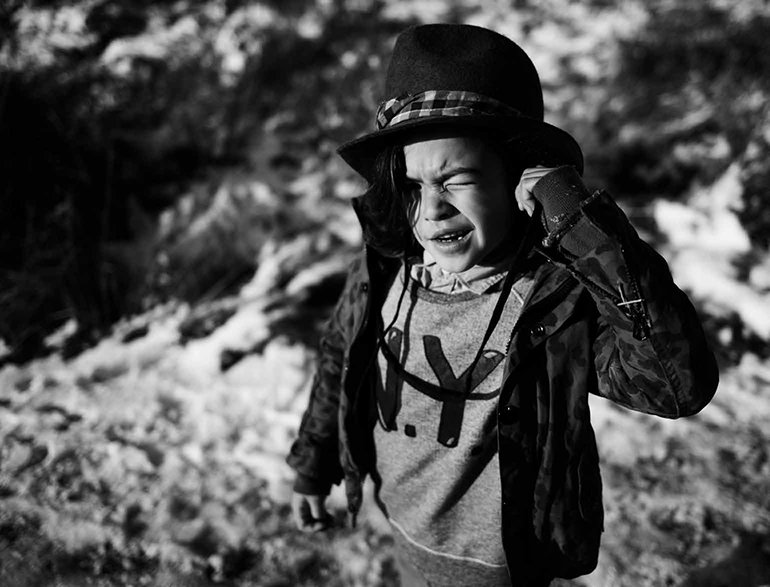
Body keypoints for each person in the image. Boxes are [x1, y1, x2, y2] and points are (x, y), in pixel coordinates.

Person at [286, 23, 718, 586]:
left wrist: (577, 220)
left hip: (501, 567)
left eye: (456, 180)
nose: (432, 210)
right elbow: (338, 360)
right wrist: (313, 462)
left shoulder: (553, 301)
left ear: (519, 180)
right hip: (404, 531)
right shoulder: (383, 269)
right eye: (413, 186)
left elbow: (674, 386)